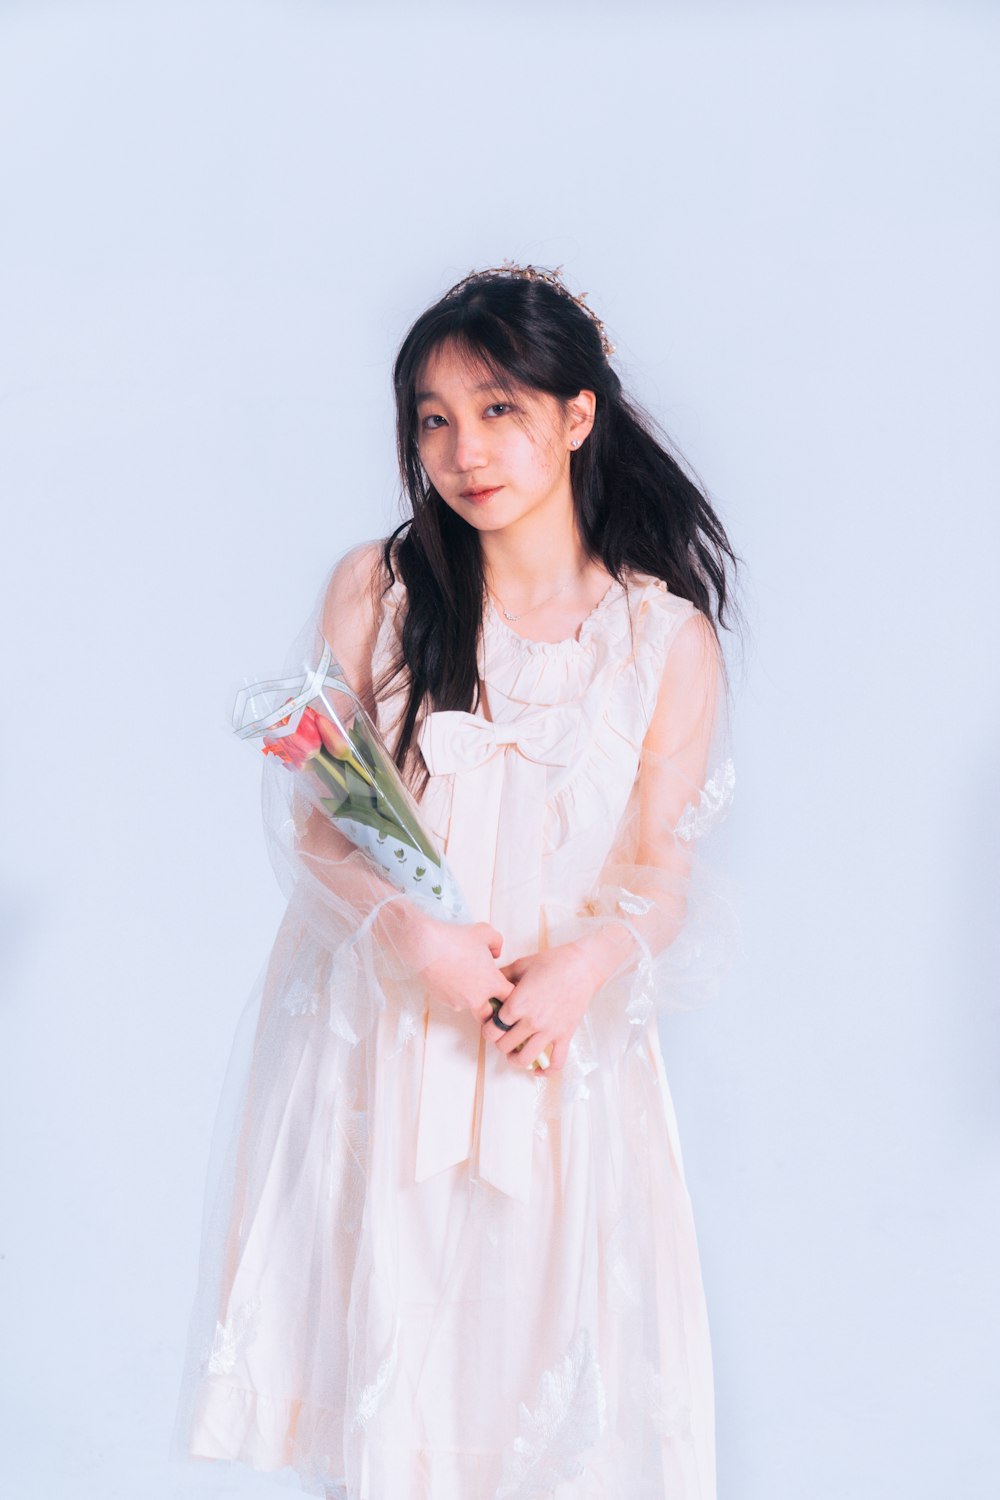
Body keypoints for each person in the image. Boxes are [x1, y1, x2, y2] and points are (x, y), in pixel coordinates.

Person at [172, 262, 742, 1500]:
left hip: (556, 1060)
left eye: (497, 410)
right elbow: (322, 822)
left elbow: (662, 868)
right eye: (432, 418)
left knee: (550, 1399)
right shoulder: (377, 593)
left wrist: (585, 966)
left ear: (576, 414)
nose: (462, 449)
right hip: (381, 1046)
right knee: (397, 1390)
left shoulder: (660, 640)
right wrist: (409, 939)